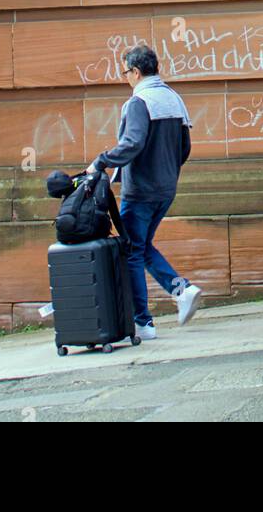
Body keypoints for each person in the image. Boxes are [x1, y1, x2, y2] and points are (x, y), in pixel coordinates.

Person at [86, 45, 201, 340]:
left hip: (140, 191)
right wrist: (168, 171)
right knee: (142, 246)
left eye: (125, 72)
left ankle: (144, 323)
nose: (125, 77)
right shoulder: (173, 98)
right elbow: (185, 147)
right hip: (166, 189)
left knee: (132, 253)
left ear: (136, 72)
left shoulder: (139, 102)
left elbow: (133, 143)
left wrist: (102, 160)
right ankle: (182, 291)